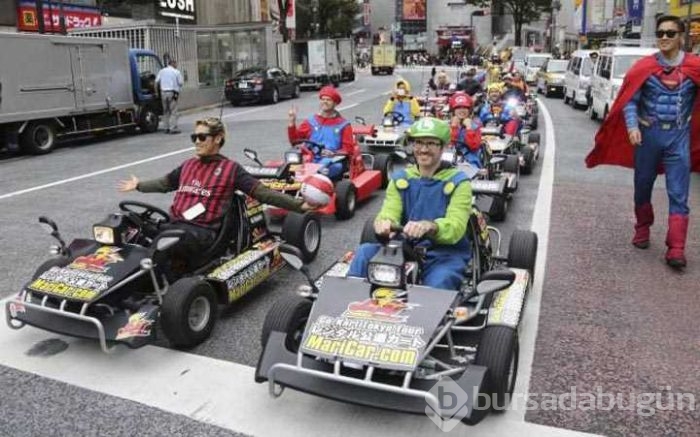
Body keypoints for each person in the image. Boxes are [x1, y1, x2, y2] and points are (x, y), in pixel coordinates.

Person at [117, 117, 316, 274]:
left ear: (218, 138)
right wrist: (139, 185)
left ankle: (156, 279)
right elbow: (165, 183)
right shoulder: (188, 165)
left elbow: (262, 193)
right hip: (176, 225)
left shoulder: (230, 169)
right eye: (194, 137)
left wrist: (299, 206)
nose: (197, 142)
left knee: (164, 244)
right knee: (127, 227)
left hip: (204, 233)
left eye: (202, 137)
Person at [586, 15, 700, 269]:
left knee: (679, 194)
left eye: (671, 33)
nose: (664, 37)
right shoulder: (643, 68)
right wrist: (632, 126)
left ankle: (677, 248)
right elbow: (630, 101)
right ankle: (642, 228)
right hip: (648, 137)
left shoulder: (694, 67)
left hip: (678, 137)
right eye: (660, 32)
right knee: (642, 187)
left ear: (681, 37)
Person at [346, 117, 473, 291]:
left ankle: (429, 315)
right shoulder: (401, 179)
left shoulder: (459, 182)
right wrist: (384, 222)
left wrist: (430, 226)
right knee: (365, 251)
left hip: (442, 254)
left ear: (443, 147)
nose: (423, 149)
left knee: (440, 281)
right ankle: (349, 302)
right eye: (419, 143)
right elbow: (389, 211)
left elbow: (456, 226)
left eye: (431, 144)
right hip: (404, 247)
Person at [288, 86, 354, 180]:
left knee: (328, 168)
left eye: (328, 100)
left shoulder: (343, 125)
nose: (325, 102)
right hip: (310, 159)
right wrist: (292, 122)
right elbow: (294, 141)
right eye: (323, 99)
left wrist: (333, 153)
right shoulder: (311, 121)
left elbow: (348, 149)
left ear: (335, 103)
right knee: (289, 166)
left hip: (331, 161)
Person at [449, 93, 484, 168]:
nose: (462, 110)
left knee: (472, 168)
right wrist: (454, 127)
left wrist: (469, 128)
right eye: (458, 108)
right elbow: (448, 145)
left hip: (469, 157)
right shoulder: (447, 126)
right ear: (453, 110)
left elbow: (474, 146)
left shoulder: (475, 125)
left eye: (465, 108)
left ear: (469, 110)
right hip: (450, 156)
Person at [155, 59, 184, 134]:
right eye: (176, 64)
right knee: (173, 111)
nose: (176, 65)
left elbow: (156, 82)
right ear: (173, 64)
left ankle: (166, 128)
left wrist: (156, 93)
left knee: (166, 111)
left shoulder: (162, 71)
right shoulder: (176, 72)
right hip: (172, 93)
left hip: (163, 92)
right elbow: (180, 83)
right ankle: (172, 128)